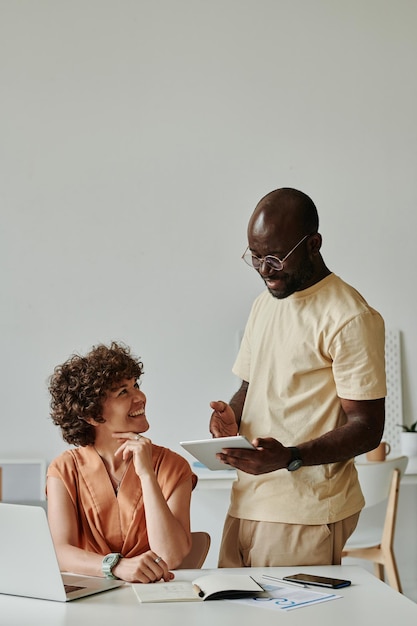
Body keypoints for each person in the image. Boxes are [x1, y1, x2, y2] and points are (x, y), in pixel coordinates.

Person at [209, 187, 386, 568]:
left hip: (305, 513)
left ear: (313, 245)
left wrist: (290, 457)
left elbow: (368, 427)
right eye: (255, 257)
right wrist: (231, 416)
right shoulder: (263, 305)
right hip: (247, 501)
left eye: (275, 258)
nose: (265, 270)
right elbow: (250, 385)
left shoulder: (349, 316)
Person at [47, 341, 197, 583]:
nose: (140, 397)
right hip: (90, 597)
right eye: (123, 392)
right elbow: (61, 552)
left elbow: (170, 555)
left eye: (135, 385)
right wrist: (116, 567)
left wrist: (147, 475)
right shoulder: (64, 470)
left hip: (156, 597)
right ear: (92, 415)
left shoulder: (173, 466)